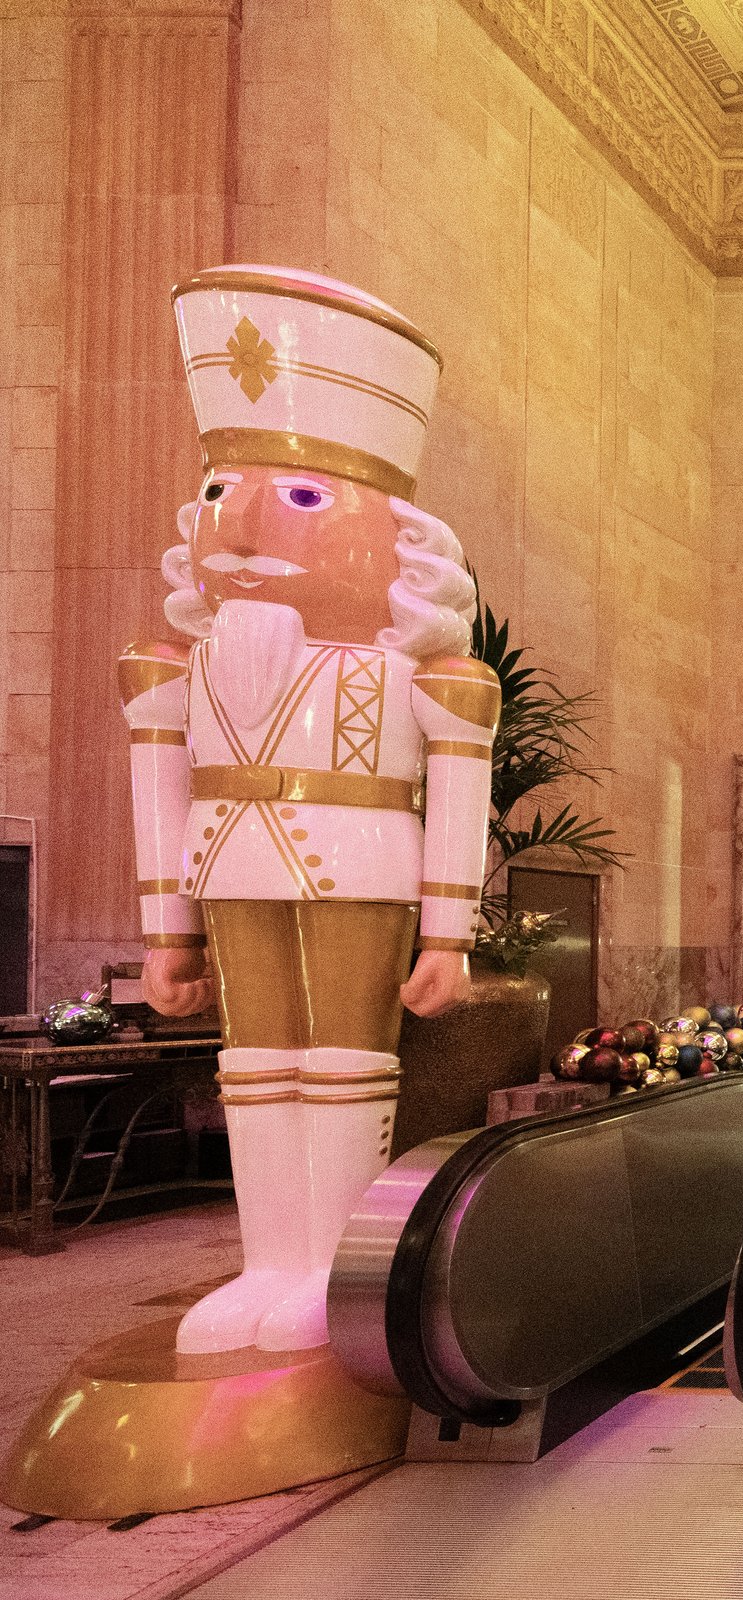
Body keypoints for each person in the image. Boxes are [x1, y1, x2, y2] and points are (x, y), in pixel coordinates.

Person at [123, 266, 498, 1355]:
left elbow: (461, 799)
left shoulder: (427, 680)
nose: (237, 517)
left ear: (396, 540)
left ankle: (334, 1263)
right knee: (254, 1061)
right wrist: (166, 932)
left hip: (358, 864)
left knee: (339, 1060)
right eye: (221, 492)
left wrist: (448, 935)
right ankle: (266, 1261)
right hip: (229, 869)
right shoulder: (174, 671)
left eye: (297, 498)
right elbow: (161, 788)